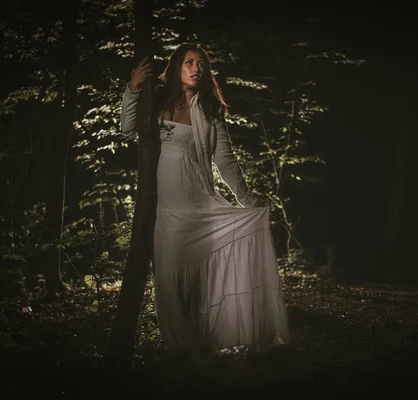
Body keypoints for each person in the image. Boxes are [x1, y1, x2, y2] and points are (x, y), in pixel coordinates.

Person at [120, 43, 290, 366]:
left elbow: (225, 162)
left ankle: (198, 347)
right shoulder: (156, 101)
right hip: (168, 210)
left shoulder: (211, 110)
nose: (195, 68)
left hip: (200, 205)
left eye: (200, 63)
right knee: (169, 280)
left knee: (199, 285)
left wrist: (249, 200)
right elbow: (127, 128)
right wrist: (132, 88)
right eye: (188, 62)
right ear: (177, 67)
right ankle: (180, 350)